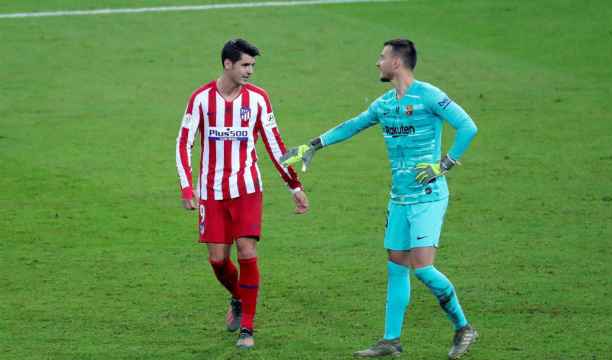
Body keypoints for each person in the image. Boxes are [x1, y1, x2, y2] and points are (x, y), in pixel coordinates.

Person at [280, 39, 478, 359]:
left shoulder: (428, 95)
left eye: (382, 57)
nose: (378, 63)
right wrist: (313, 145)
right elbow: (353, 125)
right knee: (396, 266)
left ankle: (463, 327)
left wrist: (445, 163)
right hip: (399, 198)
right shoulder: (385, 104)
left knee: (424, 269)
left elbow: (468, 126)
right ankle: (390, 341)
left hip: (427, 196)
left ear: (397, 63)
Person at [176, 38, 309, 349]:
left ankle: (247, 328)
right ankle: (238, 297)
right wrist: (186, 186)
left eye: (252, 65)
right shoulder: (200, 99)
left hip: (247, 189)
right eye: (245, 65)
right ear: (228, 64)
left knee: (247, 252)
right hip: (211, 192)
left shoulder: (259, 99)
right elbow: (184, 143)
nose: (250, 71)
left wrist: (295, 186)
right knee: (218, 260)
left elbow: (274, 144)